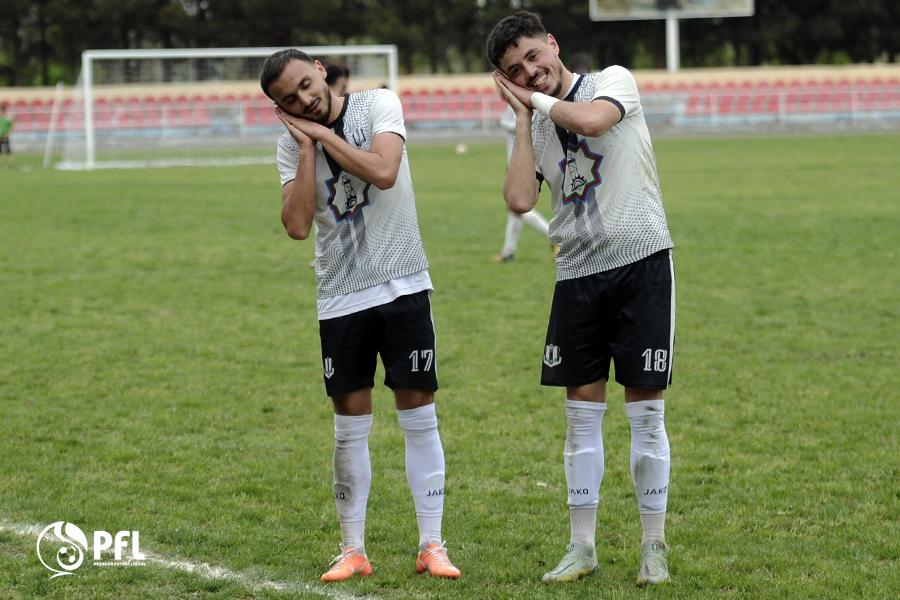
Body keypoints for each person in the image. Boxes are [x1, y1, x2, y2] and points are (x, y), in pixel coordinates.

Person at [486, 11, 675, 586]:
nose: (531, 72)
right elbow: (519, 199)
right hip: (576, 277)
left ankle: (653, 546)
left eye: (533, 58)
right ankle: (582, 546)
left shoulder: (611, 81)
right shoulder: (535, 123)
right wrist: (521, 119)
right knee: (580, 417)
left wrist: (535, 102)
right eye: (515, 70)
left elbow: (593, 123)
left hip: (641, 263)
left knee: (645, 415)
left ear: (552, 44)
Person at [259, 49, 461, 582]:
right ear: (279, 107)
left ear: (321, 70)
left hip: (404, 287)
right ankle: (353, 550)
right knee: (349, 430)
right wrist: (305, 148)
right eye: (289, 98)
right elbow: (297, 225)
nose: (303, 98)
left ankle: (432, 545)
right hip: (341, 298)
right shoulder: (288, 146)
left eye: (305, 84)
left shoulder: (377, 106)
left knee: (419, 418)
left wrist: (323, 136)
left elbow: (384, 171)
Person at [493, 105, 550, 262]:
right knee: (514, 209)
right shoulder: (513, 102)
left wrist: (502, 122)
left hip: (519, 160)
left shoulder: (521, 102)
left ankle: (553, 236)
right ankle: (508, 251)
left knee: (515, 206)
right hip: (514, 159)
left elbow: (524, 125)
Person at [0, 104, 13, 169]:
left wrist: (7, 134)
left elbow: (11, 127)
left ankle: (11, 164)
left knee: (8, 151)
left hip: (5, 137)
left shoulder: (7, 119)